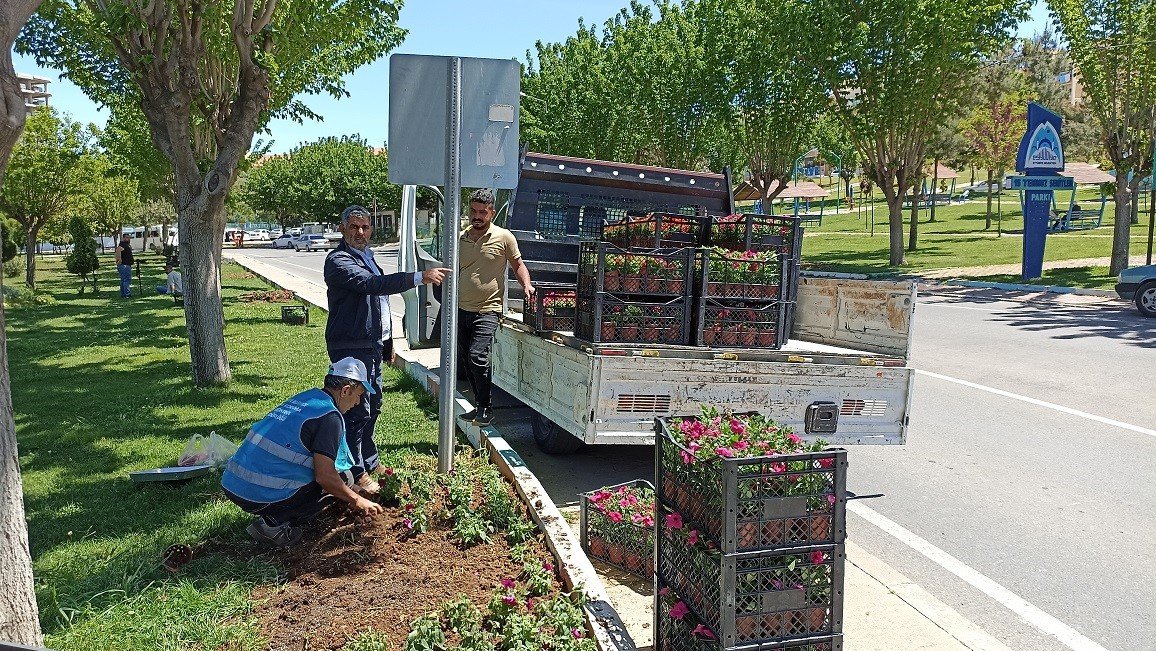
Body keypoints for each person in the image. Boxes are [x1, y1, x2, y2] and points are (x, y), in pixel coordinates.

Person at [324, 204, 449, 495]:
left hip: (371, 345)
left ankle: (369, 460)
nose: (360, 232)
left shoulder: (367, 256)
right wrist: (418, 277)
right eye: (354, 226)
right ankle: (355, 473)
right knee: (356, 410)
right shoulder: (339, 260)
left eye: (365, 227)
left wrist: (388, 342)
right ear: (342, 228)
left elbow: (378, 305)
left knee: (373, 405)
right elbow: (372, 285)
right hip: (350, 347)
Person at [221, 358, 384, 547]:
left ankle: (273, 510)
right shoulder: (329, 418)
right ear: (346, 390)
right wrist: (356, 500)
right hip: (255, 491)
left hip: (233, 482)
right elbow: (325, 477)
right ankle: (272, 526)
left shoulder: (308, 399)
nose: (357, 402)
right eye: (359, 395)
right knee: (341, 480)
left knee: (343, 480)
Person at [457, 189, 535, 426]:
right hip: (461, 309)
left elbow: (518, 264)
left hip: (488, 309)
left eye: (482, 212)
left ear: (491, 212)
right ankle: (478, 406)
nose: (477, 216)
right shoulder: (460, 237)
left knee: (477, 356)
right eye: (473, 211)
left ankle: (487, 408)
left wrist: (527, 285)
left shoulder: (504, 237)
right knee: (466, 361)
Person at [115, 232, 134, 298]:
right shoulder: (123, 244)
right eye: (126, 237)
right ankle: (127, 294)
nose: (128, 239)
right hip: (124, 265)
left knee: (123, 280)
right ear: (123, 238)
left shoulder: (126, 245)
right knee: (126, 280)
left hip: (126, 265)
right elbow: (118, 250)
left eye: (128, 237)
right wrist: (119, 259)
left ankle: (123, 294)